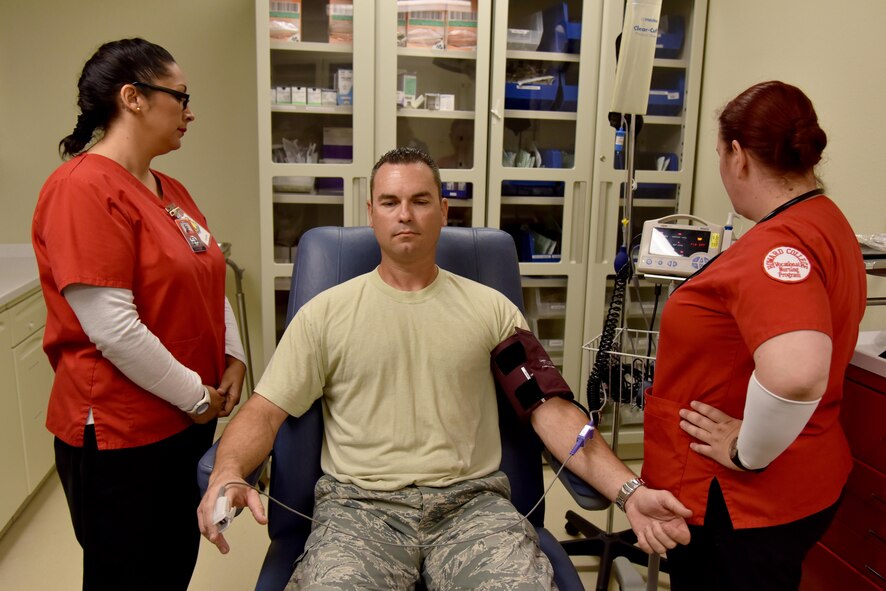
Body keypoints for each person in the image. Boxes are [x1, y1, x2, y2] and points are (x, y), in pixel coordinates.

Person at [198, 147, 692, 590]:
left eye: (420, 200)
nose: (405, 214)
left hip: (472, 508)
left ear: (443, 211)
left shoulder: (492, 311)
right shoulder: (323, 315)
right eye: (390, 202)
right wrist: (227, 471)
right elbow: (264, 413)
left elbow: (551, 411)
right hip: (358, 512)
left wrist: (630, 492)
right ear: (371, 213)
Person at [31, 38, 247, 591]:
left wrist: (234, 358)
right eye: (180, 96)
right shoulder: (82, 189)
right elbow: (114, 330)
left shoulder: (167, 188)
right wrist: (199, 397)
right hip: (123, 433)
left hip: (184, 420)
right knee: (129, 576)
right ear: (133, 97)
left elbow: (210, 272)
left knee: (171, 566)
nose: (189, 111)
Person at [641, 81, 867, 591]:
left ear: (738, 156)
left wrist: (747, 449)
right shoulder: (826, 221)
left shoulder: (777, 247)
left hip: (739, 502)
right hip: (807, 479)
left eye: (721, 155)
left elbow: (798, 372)